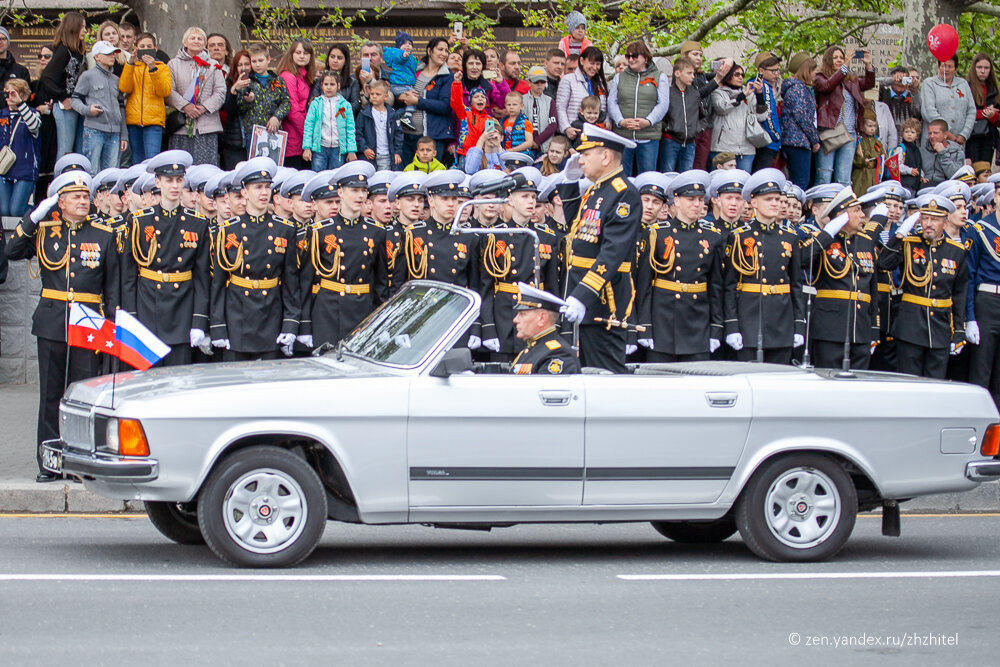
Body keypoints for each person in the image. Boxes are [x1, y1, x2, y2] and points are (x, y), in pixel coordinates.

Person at [5, 171, 120, 482]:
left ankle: (81, 463)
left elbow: (112, 289)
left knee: (83, 395)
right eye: (76, 197)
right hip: (53, 321)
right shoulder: (45, 231)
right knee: (51, 395)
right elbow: (11, 250)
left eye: (86, 197)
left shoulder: (103, 234)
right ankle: (50, 463)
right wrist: (33, 217)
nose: (83, 202)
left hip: (88, 323)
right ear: (61, 202)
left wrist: (108, 328)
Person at [557, 123, 641, 372]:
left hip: (603, 300)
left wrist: (583, 295)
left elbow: (613, 252)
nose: (580, 160)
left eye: (585, 154)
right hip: (583, 296)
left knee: (604, 375)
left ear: (605, 156)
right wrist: (570, 181)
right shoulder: (598, 189)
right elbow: (577, 227)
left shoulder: (623, 193)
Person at [121, 150, 212, 367]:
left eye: (179, 180)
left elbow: (202, 277)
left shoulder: (197, 223)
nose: (174, 185)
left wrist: (199, 321)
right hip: (147, 308)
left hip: (181, 310)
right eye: (168, 180)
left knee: (177, 382)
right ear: (157, 182)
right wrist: (131, 316)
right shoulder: (139, 222)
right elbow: (128, 276)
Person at [209, 157, 301, 360]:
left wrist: (290, 323)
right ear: (244, 192)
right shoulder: (227, 230)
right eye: (258, 187)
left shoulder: (284, 229)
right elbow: (218, 283)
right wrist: (218, 326)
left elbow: (290, 282)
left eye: (267, 187)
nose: (264, 193)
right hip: (238, 315)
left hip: (271, 314)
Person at [634, 170, 725, 361]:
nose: (697, 204)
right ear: (676, 201)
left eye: (700, 200)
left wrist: (716, 328)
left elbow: (715, 287)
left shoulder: (712, 237)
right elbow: (644, 287)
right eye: (690, 199)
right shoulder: (656, 234)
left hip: (697, 322)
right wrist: (645, 327)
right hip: (663, 322)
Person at [878, 194, 968, 378]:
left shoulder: (956, 251)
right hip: (910, 327)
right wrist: (900, 234)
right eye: (925, 218)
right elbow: (884, 263)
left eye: (934, 219)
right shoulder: (909, 243)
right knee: (909, 383)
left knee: (935, 385)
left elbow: (959, 293)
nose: (928, 224)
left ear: (945, 221)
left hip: (940, 329)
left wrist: (959, 330)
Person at [723, 169, 806, 364]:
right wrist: (732, 325)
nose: (775, 204)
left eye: (777, 199)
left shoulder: (790, 237)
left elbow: (796, 285)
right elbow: (729, 285)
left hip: (781, 321)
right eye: (769, 199)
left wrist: (798, 324)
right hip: (750, 320)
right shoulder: (739, 236)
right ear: (754, 203)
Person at [479, 167, 559, 360]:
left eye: (533, 197)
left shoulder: (546, 236)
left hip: (536, 316)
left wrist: (557, 325)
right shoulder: (494, 235)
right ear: (510, 200)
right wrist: (488, 327)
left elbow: (553, 286)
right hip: (505, 315)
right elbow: (486, 287)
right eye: (524, 196)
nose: (531, 202)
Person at [799, 186, 879, 369]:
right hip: (830, 328)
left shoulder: (865, 243)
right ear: (842, 215)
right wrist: (827, 234)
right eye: (856, 210)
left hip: (860, 328)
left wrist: (874, 328)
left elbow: (872, 289)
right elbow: (802, 259)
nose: (862, 215)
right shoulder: (823, 241)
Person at [814, 46, 876, 185]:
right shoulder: (820, 77)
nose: (839, 60)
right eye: (835, 58)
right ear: (828, 60)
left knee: (844, 177)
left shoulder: (850, 80)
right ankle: (822, 204)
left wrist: (868, 64)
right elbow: (827, 86)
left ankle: (843, 205)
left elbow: (868, 83)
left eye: (841, 57)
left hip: (850, 132)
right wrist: (845, 66)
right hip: (830, 130)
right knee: (825, 173)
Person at [166, 27, 227, 165]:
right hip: (181, 127)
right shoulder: (173, 64)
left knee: (205, 169)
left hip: (206, 126)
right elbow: (169, 91)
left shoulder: (213, 65)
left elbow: (220, 91)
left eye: (200, 39)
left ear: (204, 44)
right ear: (185, 42)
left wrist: (204, 107)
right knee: (181, 168)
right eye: (192, 38)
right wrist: (186, 107)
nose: (196, 41)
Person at [608, 40, 669, 177]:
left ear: (645, 58)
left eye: (635, 56)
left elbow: (663, 104)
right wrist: (620, 121)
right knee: (622, 176)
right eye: (628, 56)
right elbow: (612, 102)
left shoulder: (660, 77)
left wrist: (648, 121)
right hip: (623, 135)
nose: (630, 59)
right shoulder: (619, 77)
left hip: (648, 135)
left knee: (647, 176)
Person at [72, 41, 128, 173]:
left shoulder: (116, 80)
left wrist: (124, 135)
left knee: (111, 173)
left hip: (115, 133)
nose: (112, 56)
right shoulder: (87, 76)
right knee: (92, 171)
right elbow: (75, 100)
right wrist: (88, 110)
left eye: (113, 53)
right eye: (107, 54)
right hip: (94, 130)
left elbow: (121, 108)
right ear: (97, 57)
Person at [396, 38, 455, 165]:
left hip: (432, 137)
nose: (444, 53)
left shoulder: (447, 76)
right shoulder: (414, 71)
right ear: (429, 51)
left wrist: (418, 101)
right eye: (440, 49)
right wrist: (400, 97)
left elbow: (445, 106)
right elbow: (399, 91)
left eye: (446, 50)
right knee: (407, 177)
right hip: (406, 136)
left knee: (431, 178)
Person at [40, 11, 87, 160]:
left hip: (79, 105)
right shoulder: (63, 51)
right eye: (82, 27)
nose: (85, 31)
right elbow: (47, 77)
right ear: (73, 28)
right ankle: (60, 181)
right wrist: (63, 97)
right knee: (65, 150)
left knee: (80, 148)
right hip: (65, 107)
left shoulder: (78, 51)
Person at [119, 33, 172, 164]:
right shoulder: (132, 67)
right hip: (133, 120)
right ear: (136, 48)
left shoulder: (162, 67)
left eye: (149, 46)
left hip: (153, 121)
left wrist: (153, 69)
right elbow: (124, 88)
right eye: (142, 46)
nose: (145, 48)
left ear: (155, 49)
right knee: (137, 160)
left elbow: (164, 91)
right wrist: (130, 64)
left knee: (152, 160)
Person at [510, 286, 581, 375]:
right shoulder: (532, 349)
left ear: (542, 318)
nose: (515, 320)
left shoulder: (558, 354)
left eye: (522, 314)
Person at [237, 44, 290, 157]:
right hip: (253, 133)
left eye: (260, 60)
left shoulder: (278, 80)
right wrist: (247, 101)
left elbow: (286, 102)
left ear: (268, 59)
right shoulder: (247, 81)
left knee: (274, 167)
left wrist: (277, 116)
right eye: (254, 61)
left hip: (273, 131)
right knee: (254, 167)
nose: (257, 64)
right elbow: (239, 107)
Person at [0, 78, 41, 216]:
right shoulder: (2, 115)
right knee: (4, 210)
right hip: (4, 168)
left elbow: (34, 127)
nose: (9, 97)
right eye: (7, 93)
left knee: (16, 210)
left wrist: (20, 104)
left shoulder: (33, 113)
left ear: (23, 95)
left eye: (14, 93)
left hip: (25, 168)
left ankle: (39, 215)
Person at [921, 54, 976, 156]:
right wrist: (947, 132)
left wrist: (964, 134)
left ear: (955, 69)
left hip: (958, 142)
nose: (946, 69)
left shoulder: (963, 84)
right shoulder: (929, 83)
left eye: (950, 66)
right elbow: (929, 111)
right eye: (943, 66)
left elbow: (971, 111)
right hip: (934, 143)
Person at [780, 52, 820, 190]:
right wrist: (814, 139)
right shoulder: (798, 89)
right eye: (813, 70)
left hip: (793, 141)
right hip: (798, 142)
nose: (815, 73)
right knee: (801, 182)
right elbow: (802, 117)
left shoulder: (796, 88)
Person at [709, 63, 760, 173]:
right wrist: (742, 96)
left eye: (742, 74)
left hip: (746, 149)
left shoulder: (749, 92)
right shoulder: (718, 91)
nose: (741, 77)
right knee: (720, 182)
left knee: (743, 183)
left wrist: (759, 94)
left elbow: (761, 116)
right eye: (736, 74)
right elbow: (722, 108)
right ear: (728, 75)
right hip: (723, 147)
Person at [302, 70, 356, 170]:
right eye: (326, 84)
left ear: (338, 86)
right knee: (318, 176)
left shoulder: (345, 105)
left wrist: (351, 150)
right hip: (320, 148)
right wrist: (307, 147)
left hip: (338, 148)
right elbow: (309, 126)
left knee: (336, 177)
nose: (329, 87)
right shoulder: (316, 104)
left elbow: (350, 128)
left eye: (332, 84)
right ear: (322, 86)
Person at [277, 39, 318, 169]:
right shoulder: (289, 76)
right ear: (291, 54)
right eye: (298, 52)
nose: (302, 56)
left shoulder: (304, 76)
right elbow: (292, 109)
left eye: (305, 53)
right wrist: (308, 135)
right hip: (294, 140)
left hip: (302, 139)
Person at [659, 56, 702, 172]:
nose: (692, 76)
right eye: (689, 73)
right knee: (667, 172)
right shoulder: (668, 92)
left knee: (687, 174)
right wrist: (667, 127)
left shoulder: (694, 94)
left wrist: (697, 129)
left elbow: (702, 115)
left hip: (690, 142)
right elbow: (660, 114)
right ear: (677, 73)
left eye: (693, 73)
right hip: (671, 140)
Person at [556, 46, 607, 142]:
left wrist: (607, 123)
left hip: (595, 134)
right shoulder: (568, 79)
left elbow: (603, 108)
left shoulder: (600, 83)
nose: (594, 67)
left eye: (598, 64)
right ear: (582, 61)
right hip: (575, 132)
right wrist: (567, 128)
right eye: (591, 63)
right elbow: (560, 107)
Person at [356, 79, 402, 170]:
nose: (374, 96)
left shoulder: (392, 114)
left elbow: (398, 134)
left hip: (387, 155)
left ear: (385, 97)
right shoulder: (364, 113)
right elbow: (358, 133)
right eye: (372, 94)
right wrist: (364, 148)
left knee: (383, 181)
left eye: (378, 94)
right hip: (370, 155)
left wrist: (397, 152)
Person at [750, 52, 783, 172]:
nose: (776, 74)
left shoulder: (768, 86)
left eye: (778, 70)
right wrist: (776, 136)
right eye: (773, 71)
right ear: (761, 70)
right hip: (766, 140)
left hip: (764, 140)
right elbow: (768, 116)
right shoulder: (762, 86)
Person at [965, 53, 1000, 164]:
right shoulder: (965, 87)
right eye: (979, 67)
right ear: (974, 68)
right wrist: (984, 113)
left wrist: (993, 115)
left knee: (985, 171)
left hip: (989, 137)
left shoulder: (995, 90)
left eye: (986, 68)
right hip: (971, 136)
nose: (983, 71)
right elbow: (961, 113)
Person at [383, 32, 420, 129]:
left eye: (410, 43)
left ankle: (399, 116)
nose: (408, 45)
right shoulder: (398, 53)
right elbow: (400, 59)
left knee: (405, 105)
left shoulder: (411, 57)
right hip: (399, 85)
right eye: (404, 43)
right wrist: (403, 56)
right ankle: (407, 116)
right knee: (414, 97)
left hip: (405, 85)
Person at [311, 43, 361, 115]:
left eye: (339, 58)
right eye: (332, 57)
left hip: (344, 121)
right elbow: (312, 103)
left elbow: (356, 105)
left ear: (345, 61)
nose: (335, 60)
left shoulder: (352, 83)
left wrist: (338, 111)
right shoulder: (319, 81)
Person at [221, 50, 251, 169]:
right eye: (240, 65)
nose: (244, 68)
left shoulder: (257, 82)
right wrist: (234, 90)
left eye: (247, 64)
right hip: (234, 141)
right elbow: (228, 110)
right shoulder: (228, 83)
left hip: (255, 139)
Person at [879, 65, 922, 137]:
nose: (900, 83)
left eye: (903, 80)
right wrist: (891, 80)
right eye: (897, 79)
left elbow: (918, 113)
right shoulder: (883, 94)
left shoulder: (912, 96)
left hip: (908, 140)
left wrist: (915, 91)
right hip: (886, 138)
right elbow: (871, 82)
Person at [523, 66, 557, 155]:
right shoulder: (521, 100)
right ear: (529, 82)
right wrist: (529, 141)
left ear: (546, 82)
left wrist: (537, 141)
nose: (539, 84)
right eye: (536, 81)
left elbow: (553, 125)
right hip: (525, 145)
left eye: (542, 82)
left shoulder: (549, 101)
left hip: (544, 147)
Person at [923, 118, 966, 187]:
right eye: (929, 133)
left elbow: (955, 175)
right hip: (925, 187)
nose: (931, 136)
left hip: (946, 187)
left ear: (945, 134)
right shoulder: (923, 149)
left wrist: (943, 153)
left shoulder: (957, 151)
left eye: (936, 133)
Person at [852, 109, 885, 194]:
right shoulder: (859, 141)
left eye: (874, 126)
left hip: (874, 176)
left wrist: (879, 161)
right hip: (861, 177)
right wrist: (863, 161)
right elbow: (855, 159)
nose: (872, 129)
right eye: (870, 126)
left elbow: (883, 157)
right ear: (862, 127)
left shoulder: (878, 142)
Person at [896, 117, 925, 192]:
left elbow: (917, 166)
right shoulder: (901, 148)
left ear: (917, 135)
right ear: (902, 133)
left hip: (915, 185)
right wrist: (909, 170)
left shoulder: (916, 149)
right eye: (906, 132)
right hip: (904, 184)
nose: (909, 134)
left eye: (912, 132)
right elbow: (896, 166)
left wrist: (921, 176)